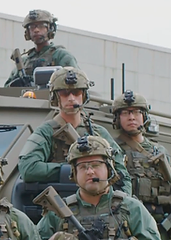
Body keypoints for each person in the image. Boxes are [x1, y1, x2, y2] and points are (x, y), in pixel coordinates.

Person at [37, 135, 167, 240]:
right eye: (83, 166)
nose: (90, 171)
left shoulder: (131, 208)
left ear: (109, 168)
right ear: (74, 173)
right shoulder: (58, 212)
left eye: (96, 165)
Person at [18, 66, 132, 195]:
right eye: (65, 93)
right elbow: (28, 168)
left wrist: (124, 202)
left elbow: (122, 176)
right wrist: (73, 170)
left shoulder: (99, 133)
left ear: (84, 96)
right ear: (56, 97)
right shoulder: (46, 132)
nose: (71, 98)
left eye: (77, 93)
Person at [112, 90, 171, 240]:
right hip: (127, 225)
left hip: (159, 225)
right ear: (118, 119)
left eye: (137, 112)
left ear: (144, 116)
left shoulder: (159, 151)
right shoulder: (112, 149)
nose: (131, 117)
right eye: (125, 113)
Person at [4, 9, 79, 87]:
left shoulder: (61, 56)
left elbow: (77, 82)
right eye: (32, 27)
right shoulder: (24, 62)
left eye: (41, 26)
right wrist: (16, 84)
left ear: (50, 29)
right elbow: (6, 88)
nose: (36, 30)